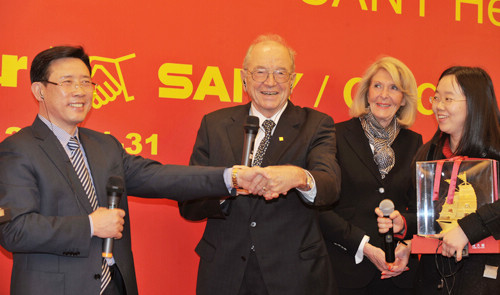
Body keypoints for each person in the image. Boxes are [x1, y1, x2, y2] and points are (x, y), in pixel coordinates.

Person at [0, 46, 288, 295]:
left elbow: (159, 177)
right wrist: (89, 225)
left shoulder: (105, 146)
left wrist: (232, 177)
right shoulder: (19, 148)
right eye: (67, 82)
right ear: (39, 90)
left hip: (113, 285)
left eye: (86, 82)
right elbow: (13, 230)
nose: (79, 91)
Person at [178, 34, 341, 295]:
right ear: (245, 77)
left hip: (293, 276)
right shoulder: (215, 125)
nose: (270, 82)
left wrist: (299, 177)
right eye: (261, 72)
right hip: (224, 273)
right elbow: (188, 204)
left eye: (280, 73)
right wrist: (227, 187)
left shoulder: (316, 125)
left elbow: (330, 186)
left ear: (293, 80)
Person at [377, 66, 500, 294]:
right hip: (436, 277)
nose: (437, 106)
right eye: (436, 97)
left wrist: (467, 229)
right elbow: (430, 218)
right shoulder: (428, 153)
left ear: (475, 104)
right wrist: (405, 226)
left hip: (486, 279)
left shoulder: (496, 153)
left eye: (448, 98)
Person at [319, 57, 422, 294]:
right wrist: (364, 246)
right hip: (347, 269)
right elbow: (320, 207)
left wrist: (406, 245)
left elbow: (419, 208)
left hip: (398, 273)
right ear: (366, 93)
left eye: (394, 88)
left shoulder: (415, 142)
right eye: (378, 86)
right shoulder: (335, 135)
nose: (384, 95)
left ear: (404, 98)